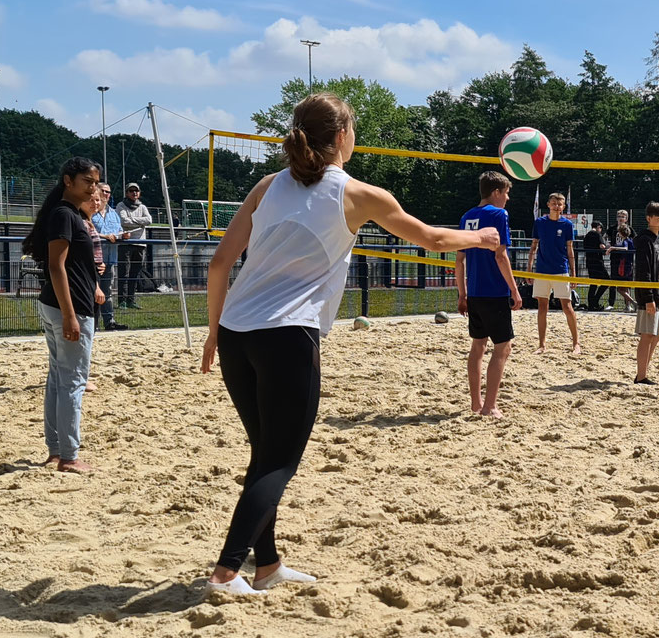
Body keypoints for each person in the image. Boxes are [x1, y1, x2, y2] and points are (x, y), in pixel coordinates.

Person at [201, 93, 499, 596]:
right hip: (287, 336)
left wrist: (213, 331)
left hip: (235, 333)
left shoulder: (266, 186)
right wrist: (483, 237)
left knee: (264, 453)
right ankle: (227, 572)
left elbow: (218, 264)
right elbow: (432, 239)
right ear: (341, 137)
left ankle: (267, 565)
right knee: (278, 461)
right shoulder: (356, 193)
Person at [25, 157, 105, 474]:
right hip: (68, 308)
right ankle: (68, 456)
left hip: (61, 305)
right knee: (71, 382)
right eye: (88, 180)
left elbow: (67, 265)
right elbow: (56, 267)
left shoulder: (68, 214)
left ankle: (57, 452)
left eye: (96, 181)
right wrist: (71, 315)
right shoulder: (64, 214)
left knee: (59, 380)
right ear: (68, 181)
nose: (93, 187)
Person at [458, 171, 524, 418]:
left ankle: (476, 404)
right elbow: (500, 255)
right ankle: (490, 407)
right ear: (495, 192)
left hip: (474, 292)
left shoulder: (467, 217)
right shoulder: (499, 214)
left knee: (477, 347)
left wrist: (462, 294)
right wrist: (514, 290)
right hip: (494, 292)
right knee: (502, 348)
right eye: (506, 193)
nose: (507, 199)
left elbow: (459, 260)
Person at [531, 192, 581, 354]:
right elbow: (533, 247)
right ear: (548, 204)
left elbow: (570, 249)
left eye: (559, 204)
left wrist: (573, 273)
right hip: (542, 271)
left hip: (561, 269)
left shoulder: (567, 225)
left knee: (567, 306)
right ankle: (542, 344)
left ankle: (576, 343)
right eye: (554, 203)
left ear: (563, 207)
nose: (556, 206)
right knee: (542, 307)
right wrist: (529, 270)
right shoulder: (539, 222)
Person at [632, 201, 659, 384]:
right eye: (658, 219)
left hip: (657, 294)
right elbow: (643, 271)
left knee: (656, 334)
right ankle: (641, 376)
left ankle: (643, 372)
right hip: (648, 295)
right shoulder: (644, 240)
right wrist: (648, 298)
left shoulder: (657, 241)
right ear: (649, 218)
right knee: (647, 335)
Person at [89, 182, 126, 330]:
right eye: (103, 191)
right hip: (94, 258)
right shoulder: (90, 212)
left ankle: (109, 321)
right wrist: (105, 236)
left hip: (111, 258)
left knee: (107, 291)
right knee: (93, 291)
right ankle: (93, 323)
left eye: (108, 192)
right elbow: (86, 232)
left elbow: (120, 230)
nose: (106, 194)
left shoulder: (113, 214)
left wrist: (124, 235)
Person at [114, 181, 155, 309]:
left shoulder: (142, 207)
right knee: (124, 272)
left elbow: (149, 220)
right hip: (125, 243)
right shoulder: (121, 205)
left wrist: (133, 221)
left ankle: (131, 299)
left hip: (140, 244)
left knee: (135, 273)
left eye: (136, 191)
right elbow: (123, 221)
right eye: (131, 191)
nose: (134, 193)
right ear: (127, 193)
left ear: (139, 193)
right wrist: (140, 223)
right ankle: (122, 301)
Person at [582, 218, 612, 311]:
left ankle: (591, 305)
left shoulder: (586, 236)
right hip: (597, 261)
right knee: (607, 280)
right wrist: (608, 247)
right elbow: (602, 246)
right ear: (598, 227)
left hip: (589, 261)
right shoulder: (597, 235)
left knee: (593, 283)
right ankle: (595, 300)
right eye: (601, 229)